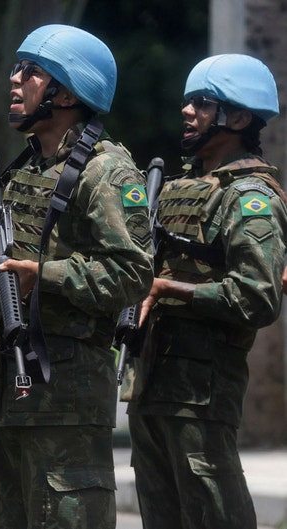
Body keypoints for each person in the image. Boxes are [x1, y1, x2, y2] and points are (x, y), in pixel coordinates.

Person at [0, 24, 153, 528]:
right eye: (17, 68)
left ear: (67, 92)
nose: (14, 80)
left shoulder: (105, 172)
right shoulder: (25, 169)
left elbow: (133, 273)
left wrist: (41, 276)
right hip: (8, 390)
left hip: (66, 396)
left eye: (31, 72)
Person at [125, 54, 287, 529]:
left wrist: (169, 289)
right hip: (151, 383)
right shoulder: (179, 187)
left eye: (202, 103)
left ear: (237, 118)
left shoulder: (250, 196)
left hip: (202, 391)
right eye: (187, 102)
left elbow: (258, 297)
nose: (187, 111)